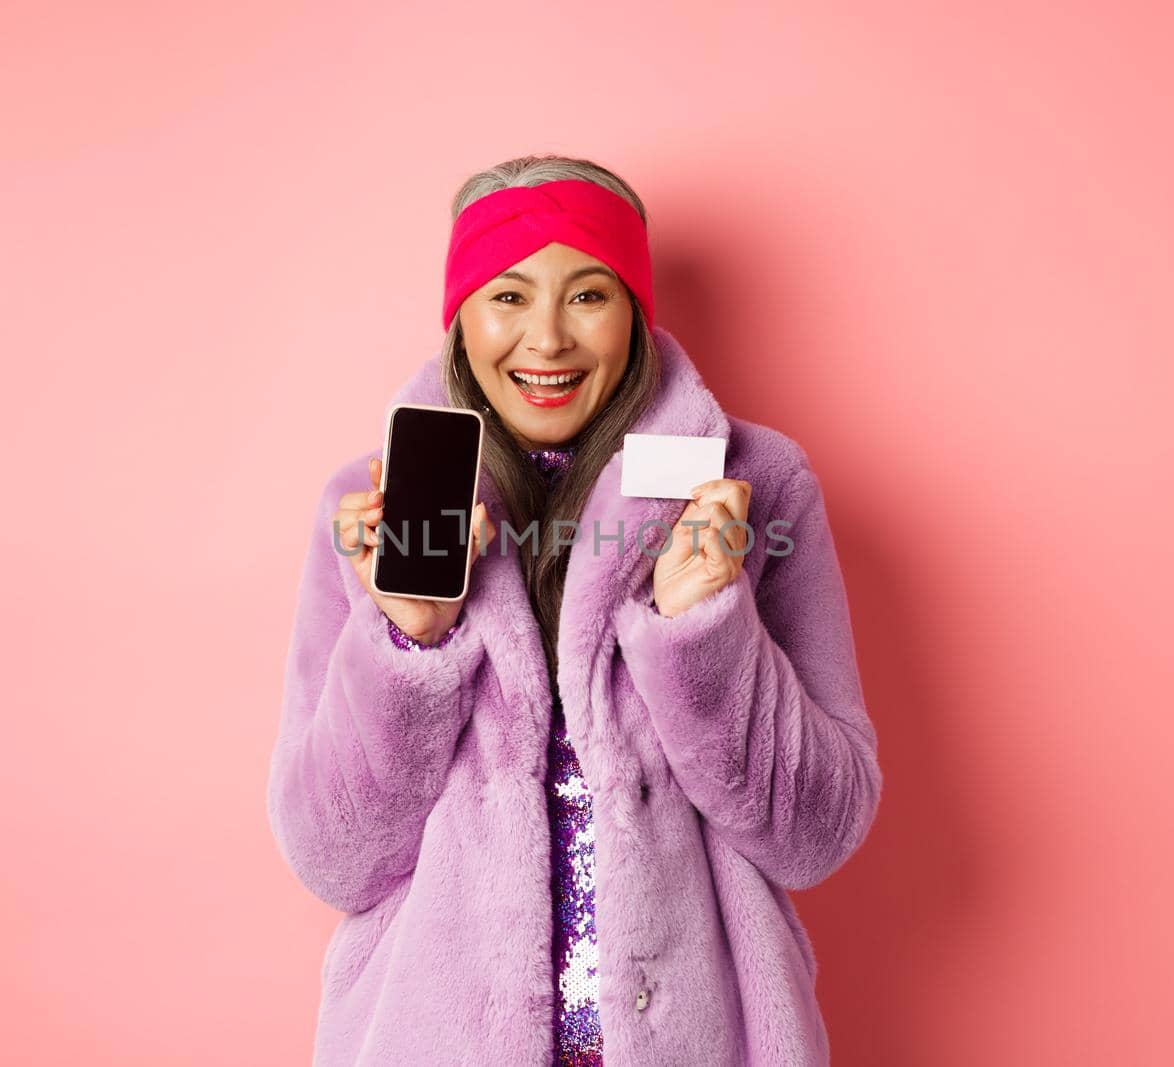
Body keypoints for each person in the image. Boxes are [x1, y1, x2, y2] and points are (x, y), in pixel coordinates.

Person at [265, 154, 883, 1066]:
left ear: (634, 310)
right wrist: (408, 641)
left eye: (588, 295)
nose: (546, 340)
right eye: (508, 297)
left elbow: (817, 833)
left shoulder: (754, 487)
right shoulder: (371, 510)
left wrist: (703, 633)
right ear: (461, 318)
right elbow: (334, 857)